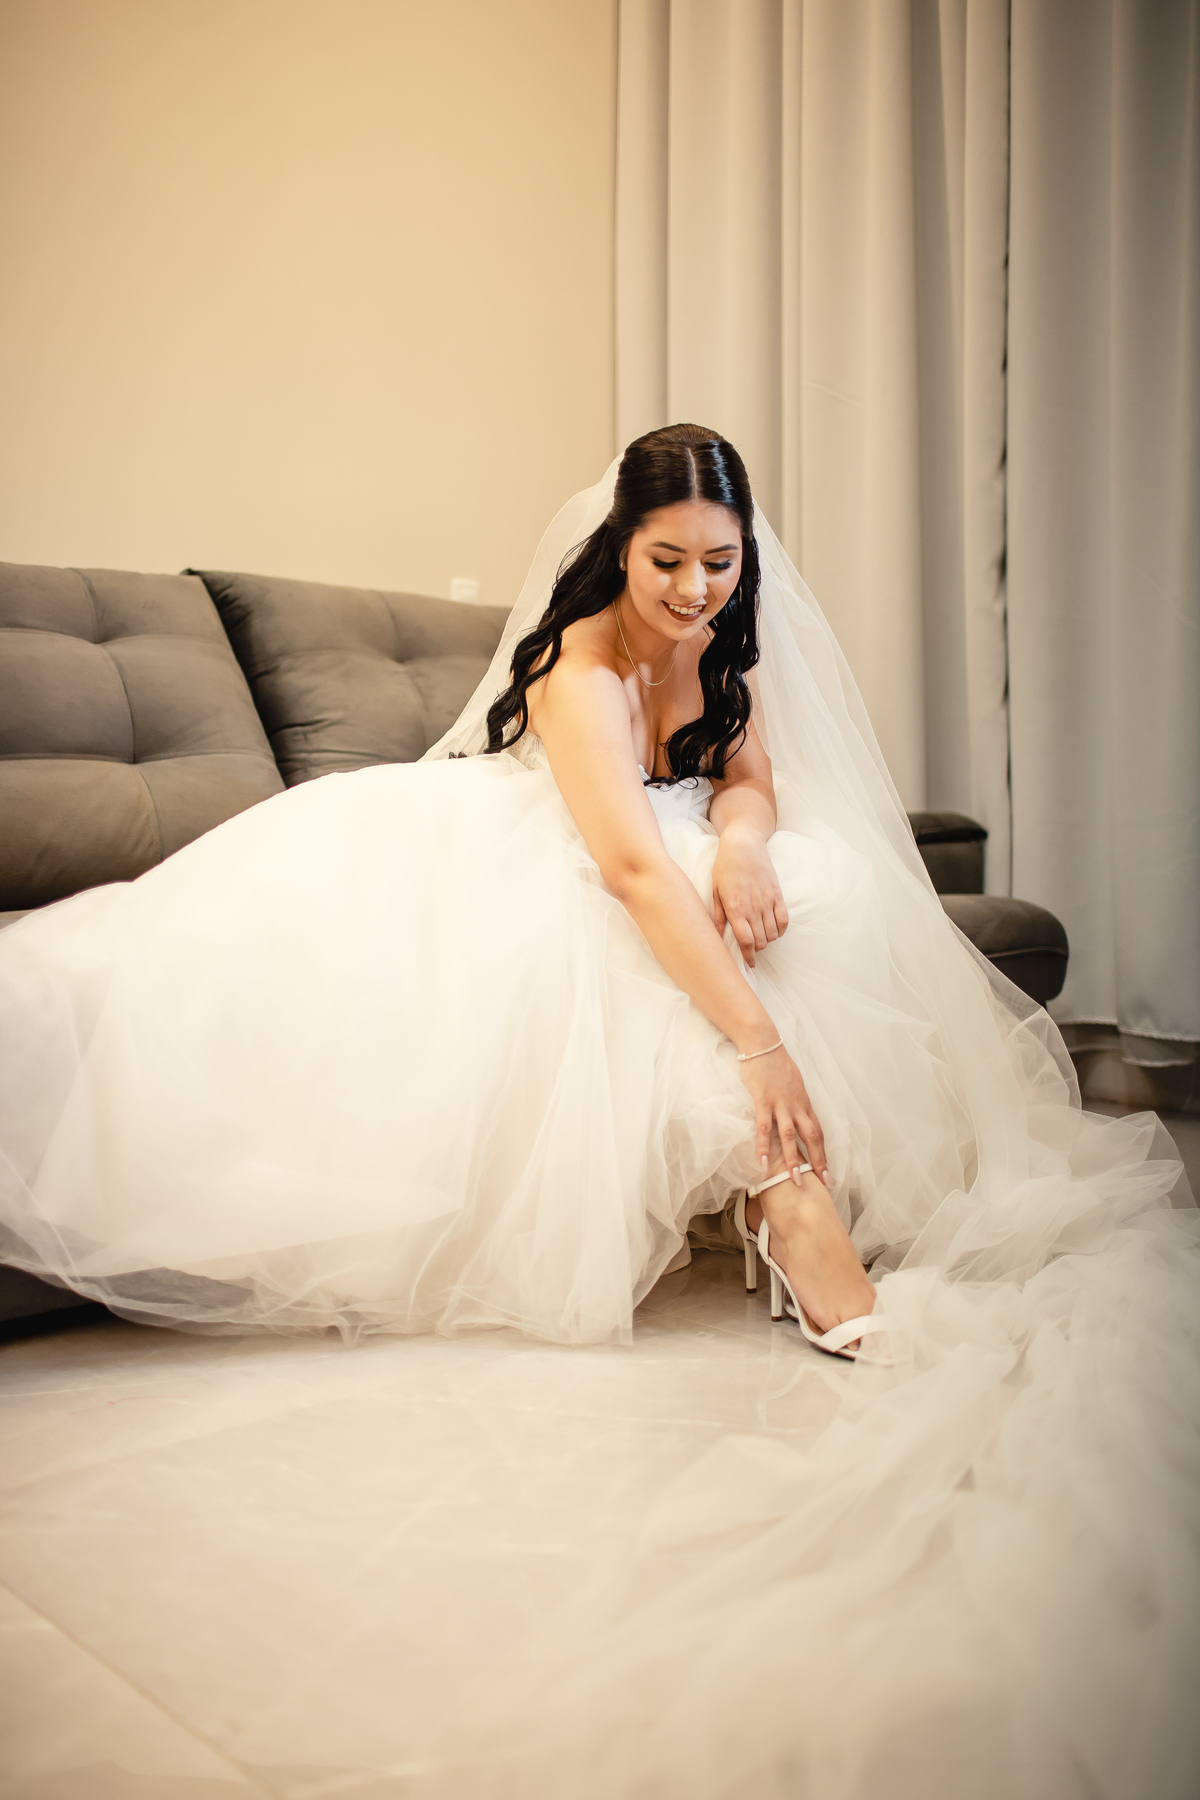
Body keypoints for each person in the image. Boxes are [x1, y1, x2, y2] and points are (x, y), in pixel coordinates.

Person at [1, 426, 1196, 1792]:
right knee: (638, 937)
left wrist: (742, 841)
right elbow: (628, 868)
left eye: (719, 562)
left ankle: (787, 1194)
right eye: (667, 560)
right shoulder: (580, 668)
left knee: (801, 890)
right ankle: (786, 1192)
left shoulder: (727, 640)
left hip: (661, 859)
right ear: (621, 547)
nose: (694, 590)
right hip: (524, 867)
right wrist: (762, 1051)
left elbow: (746, 777)